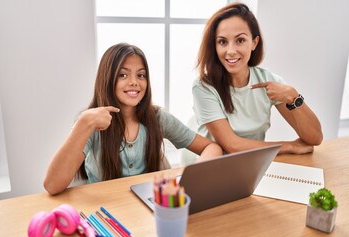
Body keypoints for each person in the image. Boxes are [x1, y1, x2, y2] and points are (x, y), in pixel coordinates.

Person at [44, 43, 222, 195]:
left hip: (146, 212)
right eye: (123, 75)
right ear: (107, 79)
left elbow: (211, 147)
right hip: (104, 212)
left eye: (141, 75)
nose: (134, 82)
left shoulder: (158, 118)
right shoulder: (91, 123)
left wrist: (191, 177)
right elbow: (52, 185)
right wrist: (84, 122)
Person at [192, 2, 323, 155]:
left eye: (240, 40)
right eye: (222, 42)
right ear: (214, 46)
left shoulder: (268, 81)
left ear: (254, 43)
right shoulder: (203, 87)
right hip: (212, 167)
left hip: (253, 164)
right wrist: (289, 146)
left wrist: (292, 96)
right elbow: (232, 145)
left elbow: (315, 138)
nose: (231, 51)